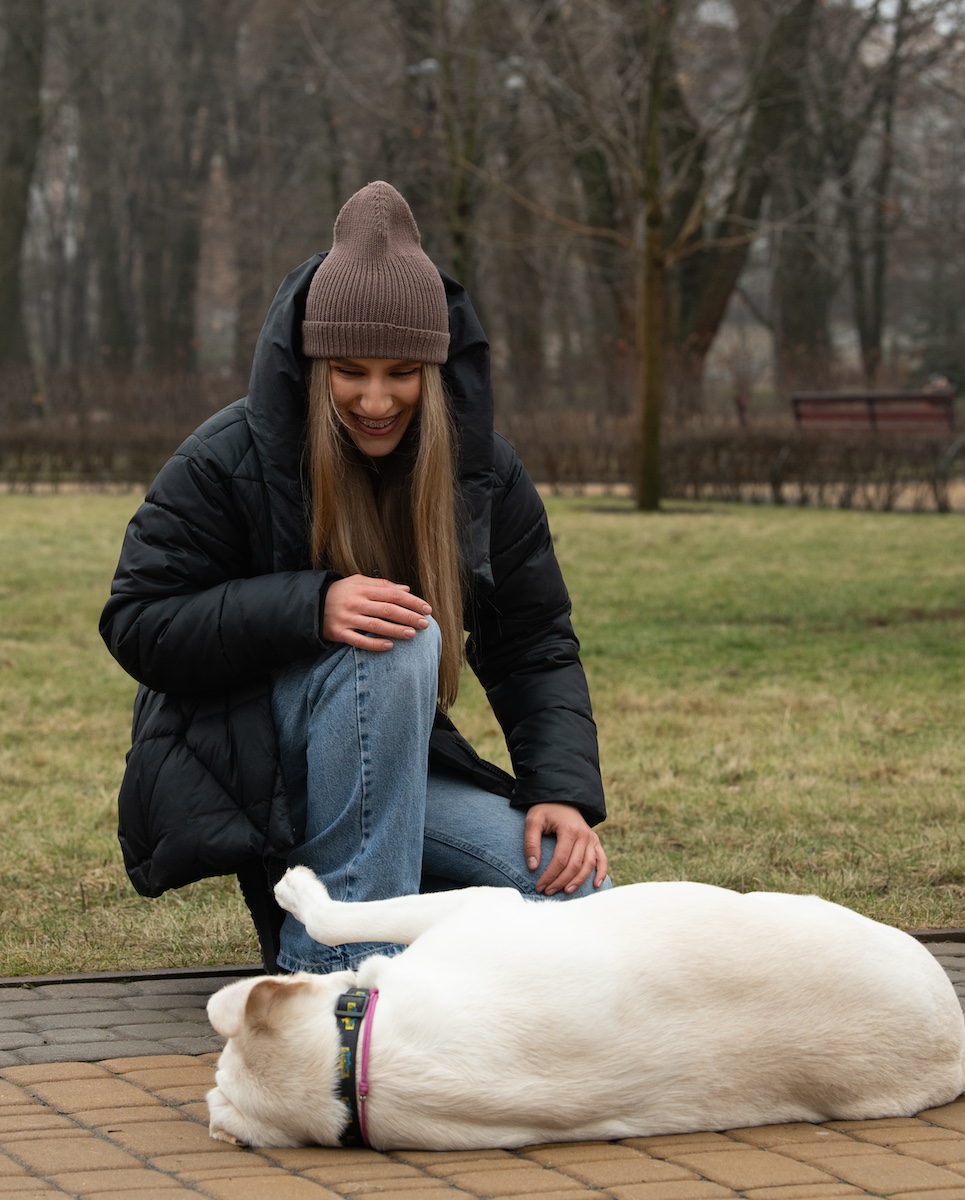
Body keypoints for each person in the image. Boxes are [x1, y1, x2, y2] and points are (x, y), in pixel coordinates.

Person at [99, 181, 608, 975]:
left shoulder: (480, 475)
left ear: (435, 371)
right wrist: (310, 607)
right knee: (399, 643)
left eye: (403, 372)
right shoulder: (229, 455)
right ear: (312, 363)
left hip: (392, 769)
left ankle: (398, 940)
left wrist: (561, 791)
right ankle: (335, 981)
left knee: (576, 903)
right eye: (350, 372)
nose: (376, 399)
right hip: (257, 765)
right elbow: (138, 621)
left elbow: (535, 643)